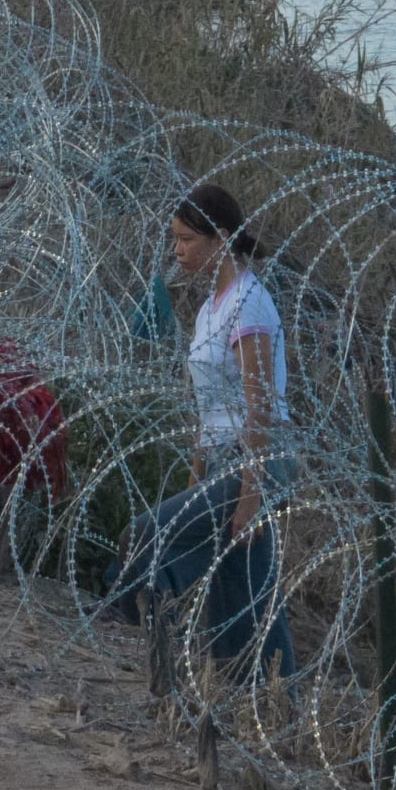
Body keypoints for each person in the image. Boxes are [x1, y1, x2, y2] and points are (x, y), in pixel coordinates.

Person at [112, 185, 297, 680]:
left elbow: (260, 409)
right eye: (174, 239)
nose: (177, 251)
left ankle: (143, 611)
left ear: (219, 238)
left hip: (254, 458)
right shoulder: (209, 308)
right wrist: (198, 475)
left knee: (150, 533)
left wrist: (250, 497)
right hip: (223, 459)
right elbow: (209, 408)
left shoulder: (247, 306)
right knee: (243, 591)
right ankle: (268, 697)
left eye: (185, 239)